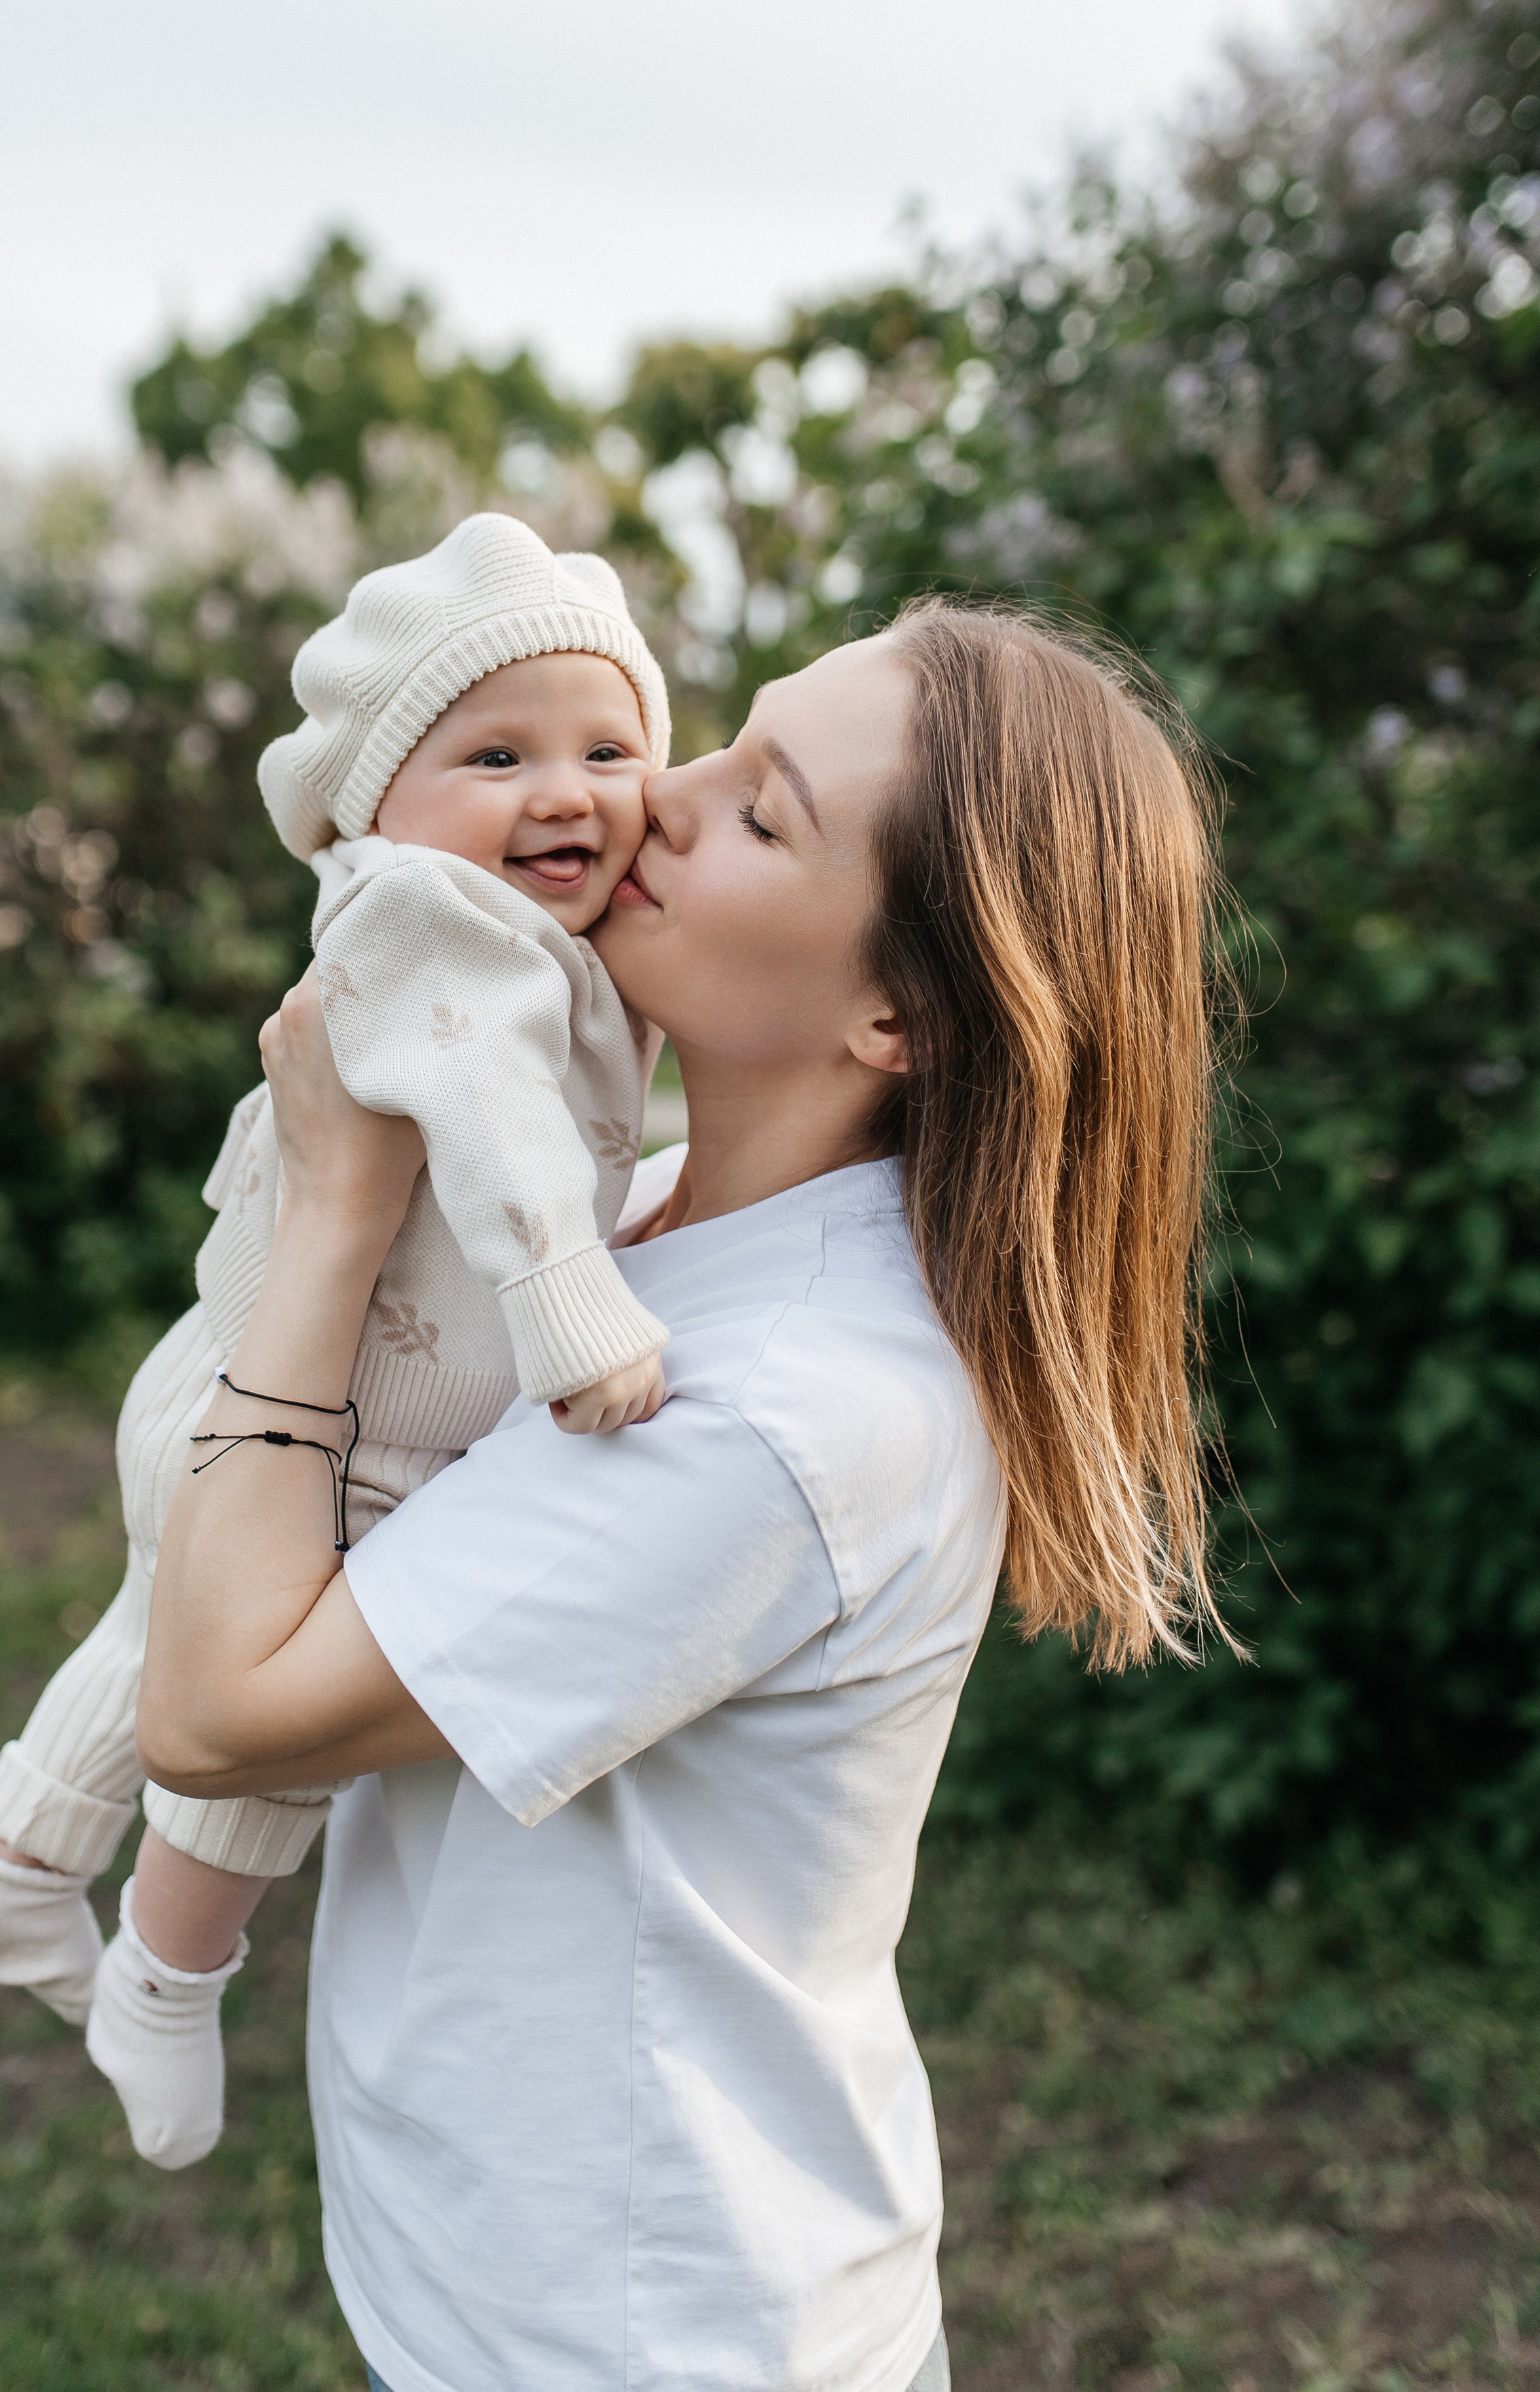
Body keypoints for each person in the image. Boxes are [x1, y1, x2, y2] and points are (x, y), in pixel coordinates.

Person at [137, 598, 1226, 2392]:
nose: (658, 798)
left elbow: (217, 1708)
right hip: (508, 2265)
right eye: (719, 742)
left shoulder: (776, 1408)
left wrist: (331, 1213)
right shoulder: (642, 1220)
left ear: (904, 1014)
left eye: (764, 813)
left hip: (642, 2332)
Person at [0, 515, 676, 2170]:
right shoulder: (432, 921)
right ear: (372, 808)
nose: (563, 790)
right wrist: (571, 1313)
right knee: (255, 1730)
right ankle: (169, 1970)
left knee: (156, 1629)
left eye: (606, 745)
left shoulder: (517, 931)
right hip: (324, 1428)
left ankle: (20, 1859)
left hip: (245, 1378)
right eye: (495, 752)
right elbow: (496, 1124)